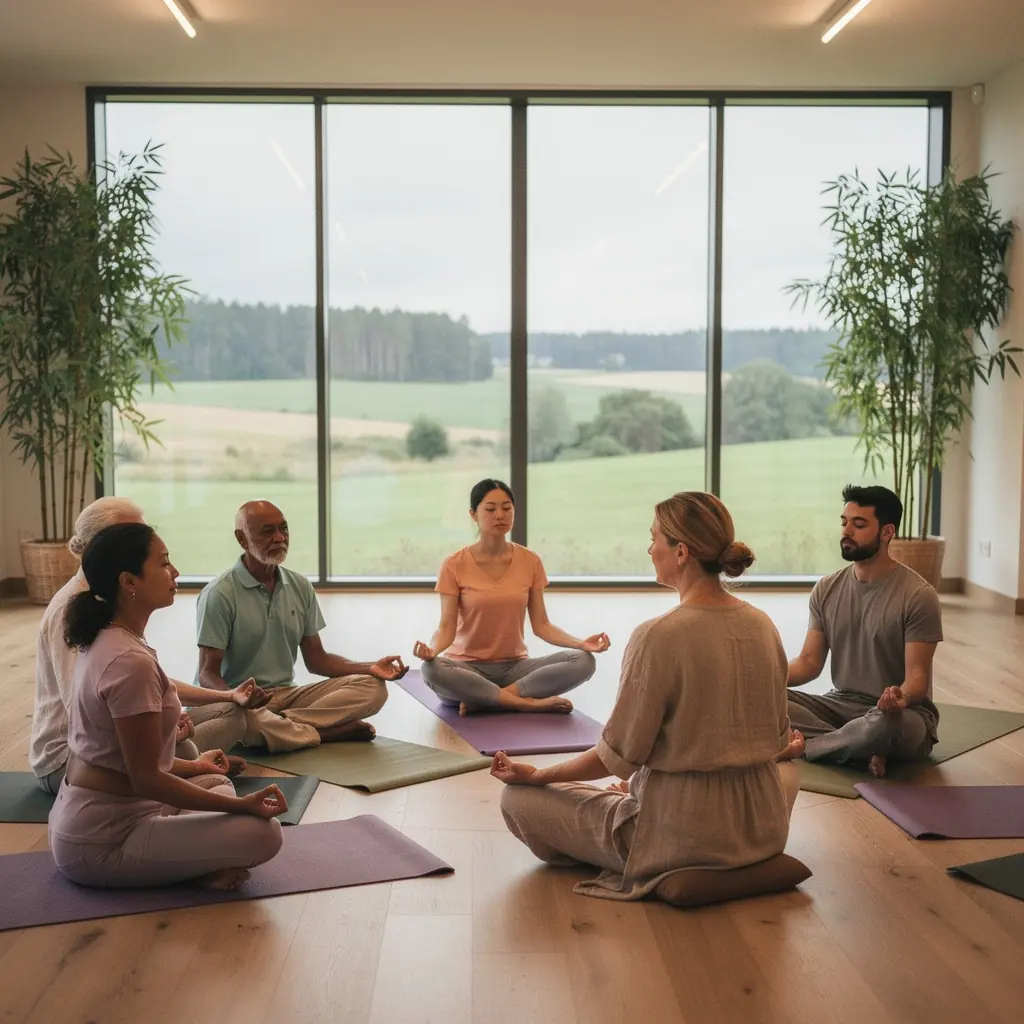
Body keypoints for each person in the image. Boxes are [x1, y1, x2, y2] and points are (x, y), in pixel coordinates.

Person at [490, 491, 799, 901]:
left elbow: (615, 755)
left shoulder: (657, 636)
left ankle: (630, 849)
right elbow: (777, 741)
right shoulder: (764, 625)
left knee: (518, 799)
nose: (650, 548)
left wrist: (539, 775)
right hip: (763, 828)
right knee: (627, 787)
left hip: (681, 837)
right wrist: (639, 783)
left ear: (682, 552)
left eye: (655, 538)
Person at [49, 523, 286, 890]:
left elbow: (126, 760)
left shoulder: (114, 638)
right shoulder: (128, 660)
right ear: (130, 581)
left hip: (109, 814)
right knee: (265, 833)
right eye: (164, 564)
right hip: (102, 842)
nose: (174, 572)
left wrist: (195, 765)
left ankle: (190, 859)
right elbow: (145, 777)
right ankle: (195, 868)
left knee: (215, 779)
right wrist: (245, 806)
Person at [30, 497, 257, 794]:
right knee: (202, 768)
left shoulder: (115, 596)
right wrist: (165, 728)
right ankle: (189, 768)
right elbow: (89, 715)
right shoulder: (72, 610)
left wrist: (226, 694)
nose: (145, 541)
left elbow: (146, 681)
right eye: (134, 533)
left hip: (123, 739)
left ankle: (187, 765)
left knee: (231, 712)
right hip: (75, 760)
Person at [196, 500, 408, 752]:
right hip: (240, 702)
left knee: (373, 688)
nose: (279, 538)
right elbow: (207, 674)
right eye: (267, 531)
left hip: (286, 696)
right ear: (242, 539)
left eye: (283, 529)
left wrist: (370, 667)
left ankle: (284, 729)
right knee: (242, 721)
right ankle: (322, 733)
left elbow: (317, 659)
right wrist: (237, 698)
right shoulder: (219, 594)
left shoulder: (300, 586)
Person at [777, 484, 943, 779]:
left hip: (899, 715)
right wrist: (762, 678)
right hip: (839, 704)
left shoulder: (919, 595)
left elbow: (917, 679)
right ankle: (859, 746)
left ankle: (817, 745)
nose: (846, 531)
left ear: (887, 532)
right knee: (768, 699)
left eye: (859, 524)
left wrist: (899, 698)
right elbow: (808, 664)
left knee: (883, 727)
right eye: (844, 522)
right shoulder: (827, 589)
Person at [412, 479, 608, 716]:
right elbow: (446, 627)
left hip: (515, 669)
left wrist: (580, 643)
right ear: (473, 514)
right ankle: (524, 703)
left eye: (507, 508)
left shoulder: (530, 561)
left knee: (583, 661)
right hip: (466, 669)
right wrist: (432, 650)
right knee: (431, 670)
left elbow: (542, 625)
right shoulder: (454, 565)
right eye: (490, 509)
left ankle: (490, 699)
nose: (500, 515)